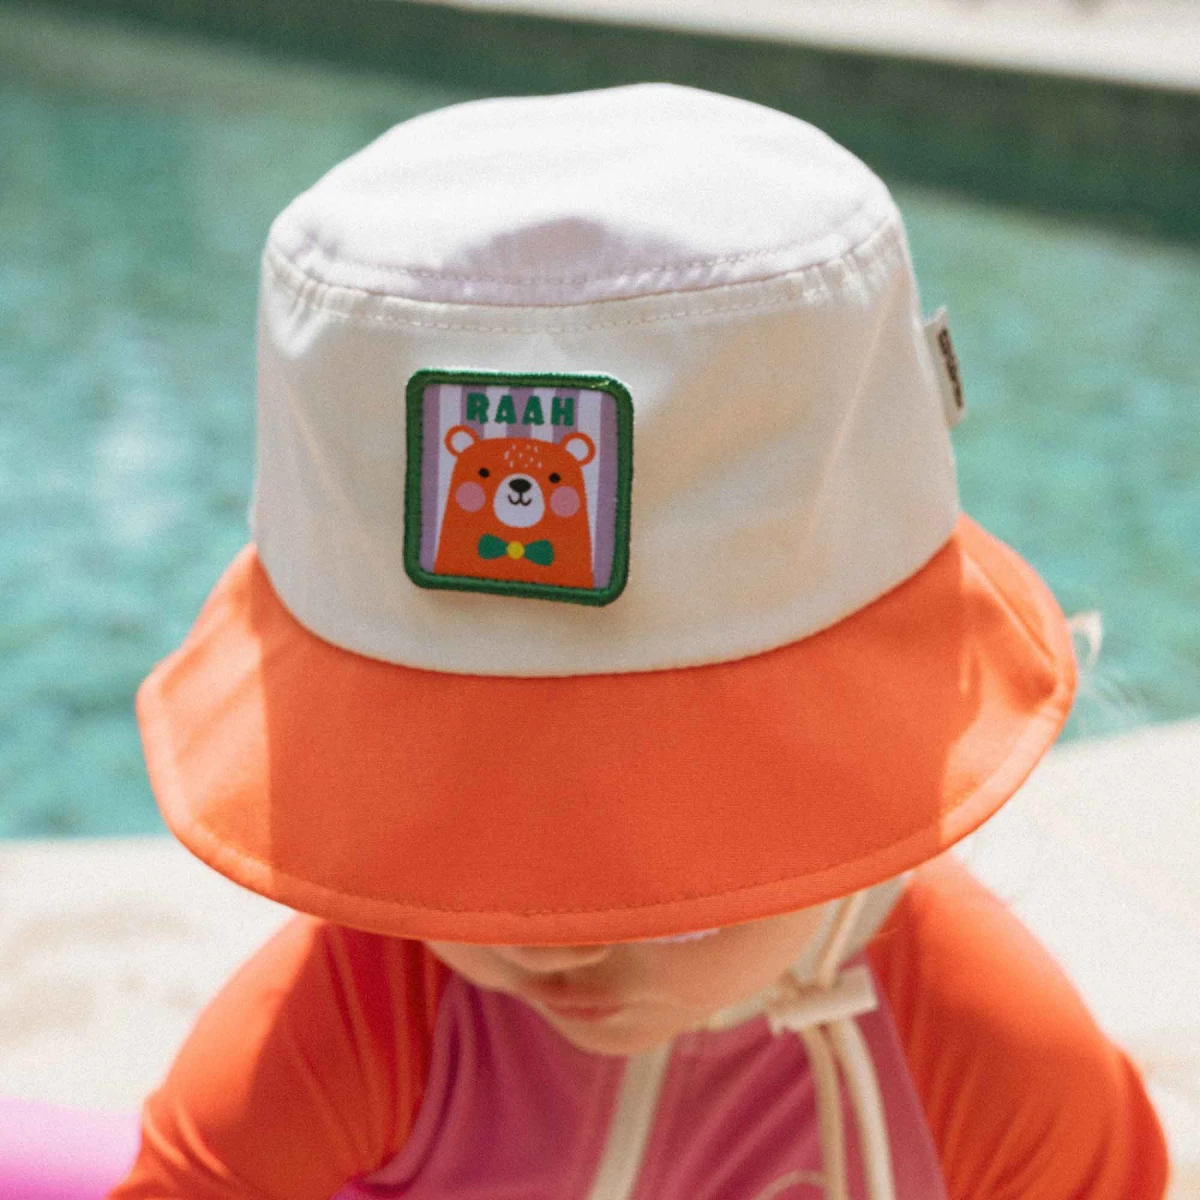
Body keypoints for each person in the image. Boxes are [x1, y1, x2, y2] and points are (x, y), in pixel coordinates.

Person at [109, 84, 1168, 1199]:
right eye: (463, 826)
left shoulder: (991, 1064)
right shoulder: (368, 1018)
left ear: (885, 757)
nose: (550, 940)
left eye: (661, 839)